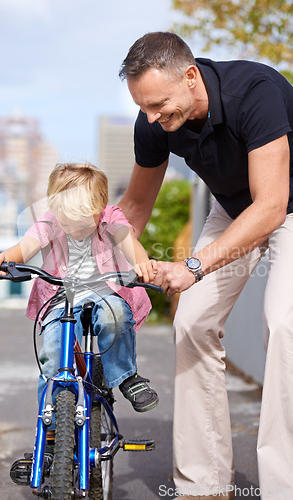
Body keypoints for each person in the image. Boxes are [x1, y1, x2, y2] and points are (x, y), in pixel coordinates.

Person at [118, 31, 293, 500]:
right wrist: (101, 263)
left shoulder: (254, 93)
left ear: (191, 76)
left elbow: (272, 206)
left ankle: (283, 489)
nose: (153, 118)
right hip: (233, 208)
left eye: (159, 105)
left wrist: (192, 267)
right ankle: (204, 485)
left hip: (285, 207)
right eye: (144, 108)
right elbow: (133, 210)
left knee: (283, 325)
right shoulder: (154, 121)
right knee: (192, 322)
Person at [0, 163, 159, 427]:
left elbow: (128, 241)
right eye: (66, 219)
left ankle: (125, 376)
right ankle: (50, 428)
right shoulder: (50, 221)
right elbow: (24, 248)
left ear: (100, 208)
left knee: (117, 316)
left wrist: (140, 263)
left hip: (104, 290)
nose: (73, 227)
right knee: (52, 357)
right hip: (60, 296)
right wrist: (0, 259)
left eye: (82, 220)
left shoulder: (111, 217)